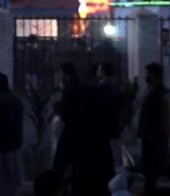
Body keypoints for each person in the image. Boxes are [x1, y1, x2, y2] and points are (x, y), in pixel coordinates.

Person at [53, 62, 114, 195]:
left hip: (78, 157)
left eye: (61, 73)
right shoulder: (97, 128)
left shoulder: (70, 92)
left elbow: (61, 161)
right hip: (96, 159)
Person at [138, 62, 170, 195]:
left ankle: (151, 188)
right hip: (149, 133)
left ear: (154, 75)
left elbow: (157, 115)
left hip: (154, 134)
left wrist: (154, 133)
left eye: (148, 73)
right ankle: (149, 188)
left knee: (155, 164)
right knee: (153, 164)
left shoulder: (159, 92)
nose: (146, 76)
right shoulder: (151, 90)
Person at [0, 73, 23, 196]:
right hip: (14, 144)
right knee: (14, 181)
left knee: (3, 182)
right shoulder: (15, 100)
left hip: (2, 146)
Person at [96, 61, 125, 164]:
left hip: (105, 126)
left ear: (103, 72)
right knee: (116, 153)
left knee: (109, 154)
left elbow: (100, 107)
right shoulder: (116, 85)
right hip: (115, 124)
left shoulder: (102, 86)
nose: (97, 72)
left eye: (99, 70)